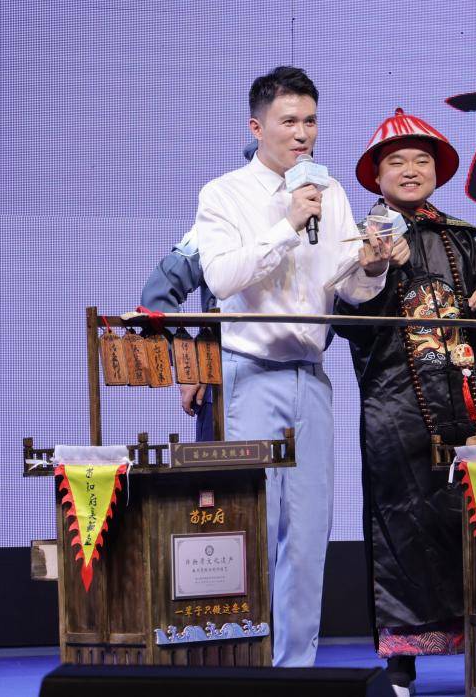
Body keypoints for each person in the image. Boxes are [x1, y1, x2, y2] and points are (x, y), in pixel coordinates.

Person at [194, 66, 397, 666]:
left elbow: (348, 287)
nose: (303, 133)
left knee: (308, 535)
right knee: (251, 525)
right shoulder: (224, 194)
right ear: (257, 127)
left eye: (310, 121)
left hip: (311, 375)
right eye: (289, 121)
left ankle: (295, 672)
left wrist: (373, 265)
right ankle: (245, 665)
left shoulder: (329, 193)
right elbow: (222, 278)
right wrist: (286, 223)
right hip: (248, 374)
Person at [333, 108, 476, 697]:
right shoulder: (360, 238)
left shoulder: (463, 239)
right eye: (397, 162)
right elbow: (346, 323)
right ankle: (401, 667)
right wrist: (375, 270)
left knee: (474, 523)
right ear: (376, 175)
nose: (411, 170)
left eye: (421, 161)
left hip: (466, 409)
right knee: (400, 528)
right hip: (395, 409)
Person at [139, 140, 258, 441]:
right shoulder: (216, 227)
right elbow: (159, 293)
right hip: (227, 384)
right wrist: (189, 363)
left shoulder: (312, 225)